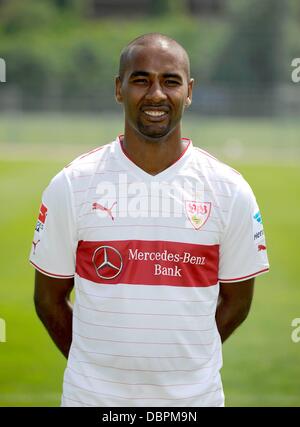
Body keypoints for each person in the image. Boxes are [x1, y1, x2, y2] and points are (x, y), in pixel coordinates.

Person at [30, 33, 269, 407]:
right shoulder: (72, 185)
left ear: (189, 91)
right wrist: (97, 370)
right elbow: (48, 300)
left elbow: (237, 302)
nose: (156, 94)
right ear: (118, 88)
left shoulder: (229, 190)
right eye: (141, 79)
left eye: (170, 81)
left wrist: (182, 367)